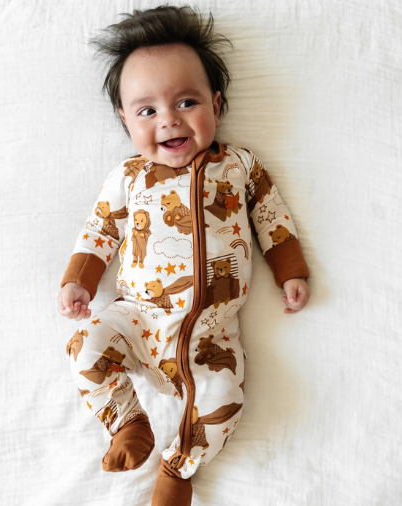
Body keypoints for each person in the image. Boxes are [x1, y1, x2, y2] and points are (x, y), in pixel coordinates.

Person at [57, 6, 310, 505]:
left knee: (226, 400)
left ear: (216, 105)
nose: (169, 119)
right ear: (124, 119)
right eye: (146, 110)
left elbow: (272, 220)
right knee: (84, 344)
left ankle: (178, 469)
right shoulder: (129, 176)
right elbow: (100, 229)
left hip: (211, 335)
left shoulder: (239, 166)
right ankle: (127, 423)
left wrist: (291, 271)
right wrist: (79, 281)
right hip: (138, 318)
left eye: (187, 101)